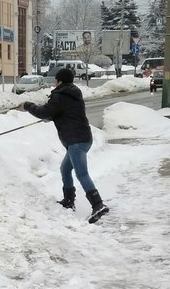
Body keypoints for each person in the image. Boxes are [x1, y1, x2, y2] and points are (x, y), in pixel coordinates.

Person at [22, 67, 109, 223]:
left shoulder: (60, 96)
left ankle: (98, 204)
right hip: (82, 138)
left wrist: (29, 106)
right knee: (65, 168)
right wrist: (53, 116)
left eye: (57, 80)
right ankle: (69, 200)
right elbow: (61, 112)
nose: (55, 83)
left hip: (76, 141)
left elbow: (44, 112)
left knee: (82, 174)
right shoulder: (73, 93)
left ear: (59, 80)